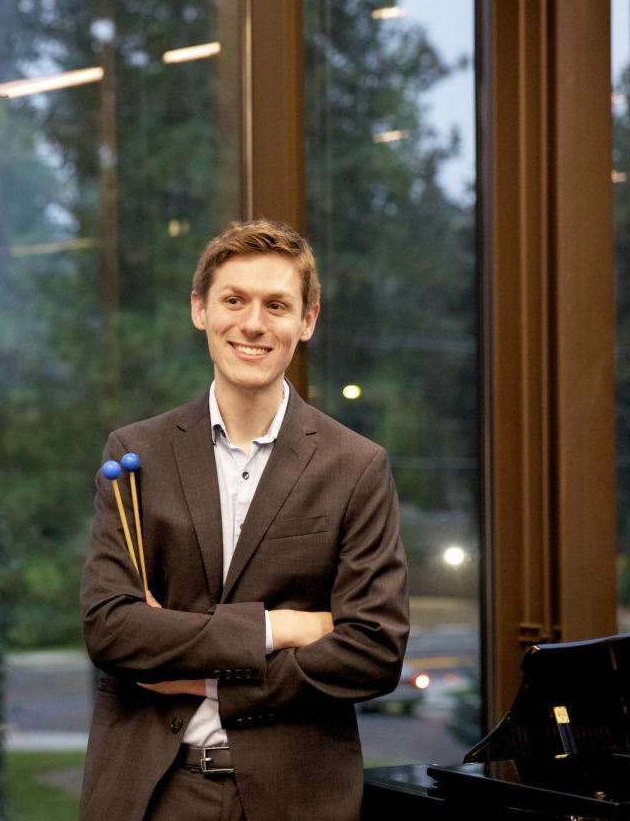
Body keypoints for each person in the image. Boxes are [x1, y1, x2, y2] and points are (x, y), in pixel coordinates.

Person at [79, 219, 410, 820]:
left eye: (276, 305)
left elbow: (374, 650)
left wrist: (202, 679)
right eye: (234, 300)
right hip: (152, 794)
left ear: (306, 321)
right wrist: (279, 628)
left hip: (298, 799)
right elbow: (110, 629)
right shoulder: (135, 456)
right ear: (200, 309)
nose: (253, 323)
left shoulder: (357, 467)